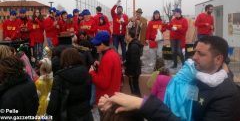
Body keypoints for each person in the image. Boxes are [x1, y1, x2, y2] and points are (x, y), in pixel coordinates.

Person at [98, 36, 240, 121]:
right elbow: (170, 111)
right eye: (195, 52)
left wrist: (143, 104)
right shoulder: (194, 77)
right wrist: (119, 108)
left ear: (218, 59)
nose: (194, 57)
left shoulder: (227, 96)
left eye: (201, 54)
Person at [47, 48, 93, 121]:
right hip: (86, 114)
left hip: (67, 116)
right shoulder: (86, 73)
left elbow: (52, 106)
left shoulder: (60, 78)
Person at [89, 31, 122, 104]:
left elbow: (103, 83)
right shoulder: (113, 53)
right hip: (113, 95)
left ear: (103, 44)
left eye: (97, 44)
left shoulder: (107, 57)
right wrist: (101, 65)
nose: (95, 46)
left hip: (106, 98)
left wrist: (92, 73)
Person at [125, 28, 142, 97]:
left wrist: (131, 73)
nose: (125, 37)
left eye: (126, 35)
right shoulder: (132, 44)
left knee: (134, 89)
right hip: (134, 71)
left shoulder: (133, 46)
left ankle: (138, 104)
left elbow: (133, 61)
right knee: (135, 88)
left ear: (129, 36)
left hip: (133, 72)